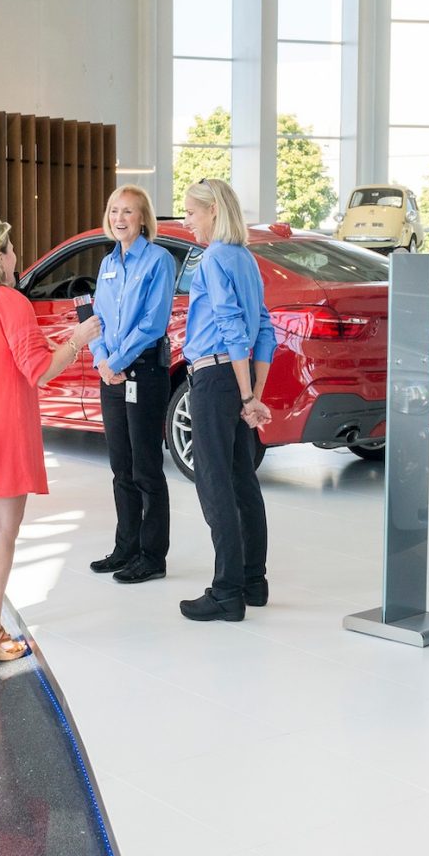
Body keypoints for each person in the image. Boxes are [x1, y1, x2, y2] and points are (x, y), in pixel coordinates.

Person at [0, 218, 99, 662]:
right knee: (3, 529)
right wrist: (78, 338)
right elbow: (41, 370)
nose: (15, 257)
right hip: (2, 421)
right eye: (9, 249)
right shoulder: (10, 301)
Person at [178, 178, 275, 623]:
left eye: (191, 213)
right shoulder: (246, 259)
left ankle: (226, 592)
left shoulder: (214, 257)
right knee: (242, 480)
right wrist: (253, 392)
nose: (186, 221)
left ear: (213, 210)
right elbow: (264, 330)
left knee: (214, 483)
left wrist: (246, 393)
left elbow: (232, 324)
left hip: (215, 379)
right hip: (234, 378)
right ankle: (253, 581)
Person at [87, 186, 174, 585]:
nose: (120, 218)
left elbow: (153, 323)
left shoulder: (158, 260)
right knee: (120, 466)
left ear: (143, 219)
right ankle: (127, 546)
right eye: (114, 210)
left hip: (143, 373)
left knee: (146, 468)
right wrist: (102, 360)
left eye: (129, 212)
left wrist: (118, 362)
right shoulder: (107, 263)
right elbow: (98, 319)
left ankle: (153, 556)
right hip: (112, 374)